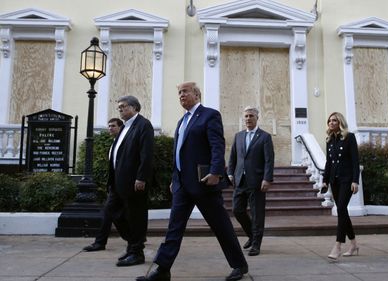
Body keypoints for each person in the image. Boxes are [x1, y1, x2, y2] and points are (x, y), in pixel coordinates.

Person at [136, 82, 248, 281]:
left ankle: (239, 265)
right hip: (181, 185)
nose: (181, 95)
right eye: (179, 92)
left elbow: (217, 145)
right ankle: (162, 270)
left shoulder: (209, 115)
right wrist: (174, 178)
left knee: (221, 226)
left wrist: (216, 172)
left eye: (185, 92)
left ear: (197, 94)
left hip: (204, 183)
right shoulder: (182, 121)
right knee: (174, 227)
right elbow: (178, 153)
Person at [107, 96, 154, 267]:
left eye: (123, 106)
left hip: (134, 182)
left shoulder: (143, 125)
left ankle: (136, 252)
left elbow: (146, 154)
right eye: (118, 107)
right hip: (118, 182)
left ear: (134, 108)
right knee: (114, 212)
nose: (119, 109)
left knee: (136, 216)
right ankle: (132, 244)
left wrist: (141, 177)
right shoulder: (125, 127)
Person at [227, 106, 274, 257]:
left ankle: (256, 244)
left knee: (257, 213)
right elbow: (233, 157)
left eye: (251, 116)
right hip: (240, 180)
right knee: (237, 210)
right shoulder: (238, 136)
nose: (248, 119)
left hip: (257, 181)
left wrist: (267, 178)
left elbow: (269, 160)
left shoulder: (265, 137)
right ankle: (251, 235)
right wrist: (230, 173)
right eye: (246, 116)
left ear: (257, 118)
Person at [321, 112, 360, 261]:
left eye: (334, 120)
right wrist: (325, 180)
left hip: (347, 179)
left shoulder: (349, 137)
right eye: (329, 120)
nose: (331, 123)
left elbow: (355, 161)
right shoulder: (330, 139)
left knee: (341, 209)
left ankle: (337, 246)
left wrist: (355, 180)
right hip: (334, 181)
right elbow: (329, 162)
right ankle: (354, 244)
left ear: (340, 122)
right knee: (342, 211)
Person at [82, 118, 124, 252]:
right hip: (115, 185)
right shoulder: (114, 143)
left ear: (120, 127)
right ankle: (133, 238)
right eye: (109, 126)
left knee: (110, 212)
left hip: (122, 184)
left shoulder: (123, 142)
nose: (110, 128)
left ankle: (101, 242)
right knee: (112, 213)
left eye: (113, 126)